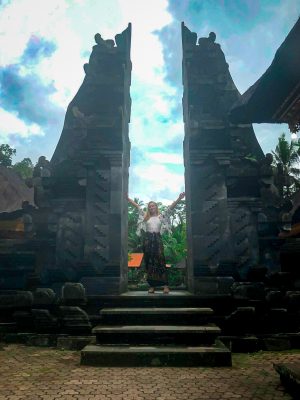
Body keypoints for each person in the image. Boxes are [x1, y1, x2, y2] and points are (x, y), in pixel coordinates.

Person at [127, 192, 185, 294]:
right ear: (148, 208)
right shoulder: (146, 217)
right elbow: (137, 207)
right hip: (148, 241)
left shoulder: (160, 217)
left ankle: (165, 286)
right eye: (150, 206)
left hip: (157, 240)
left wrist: (179, 198)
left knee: (161, 261)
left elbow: (170, 208)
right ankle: (152, 286)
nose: (151, 207)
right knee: (149, 263)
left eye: (153, 206)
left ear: (156, 207)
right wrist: (128, 199)